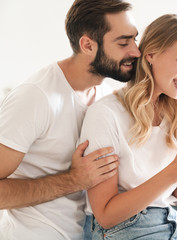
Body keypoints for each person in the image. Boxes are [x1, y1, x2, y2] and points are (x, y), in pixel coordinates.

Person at [80, 14, 177, 239]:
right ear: (151, 54)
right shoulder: (105, 115)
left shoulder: (176, 114)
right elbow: (105, 215)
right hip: (124, 230)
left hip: (173, 222)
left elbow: (176, 194)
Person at [0, 0, 140, 239]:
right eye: (123, 42)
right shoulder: (36, 96)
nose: (135, 51)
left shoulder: (106, 99)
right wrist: (74, 180)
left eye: (135, 39)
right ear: (87, 45)